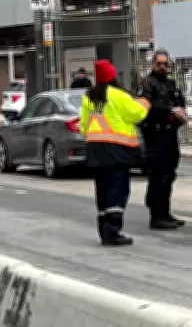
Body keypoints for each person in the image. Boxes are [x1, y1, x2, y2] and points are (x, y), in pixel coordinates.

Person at [79, 60, 151, 246]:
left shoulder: (89, 96)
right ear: (113, 77)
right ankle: (112, 231)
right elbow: (138, 114)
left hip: (95, 150)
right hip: (117, 149)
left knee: (102, 190)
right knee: (117, 190)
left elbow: (82, 125)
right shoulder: (118, 95)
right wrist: (145, 101)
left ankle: (104, 228)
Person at [139, 48, 187, 230]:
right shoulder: (147, 83)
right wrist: (169, 111)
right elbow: (147, 108)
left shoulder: (172, 84)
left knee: (169, 174)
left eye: (165, 64)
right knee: (158, 176)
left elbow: (179, 102)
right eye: (158, 63)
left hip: (170, 135)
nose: (162, 67)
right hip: (154, 136)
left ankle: (165, 212)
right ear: (153, 64)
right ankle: (156, 215)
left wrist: (179, 113)